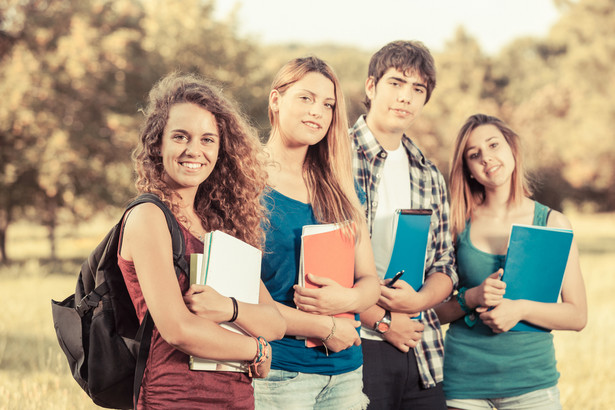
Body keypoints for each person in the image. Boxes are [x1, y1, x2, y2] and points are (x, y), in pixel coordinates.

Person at [118, 72, 286, 409]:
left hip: (237, 397)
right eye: (180, 136)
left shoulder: (217, 227)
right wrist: (257, 349)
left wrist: (229, 308)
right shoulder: (149, 217)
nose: (194, 150)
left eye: (208, 139)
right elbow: (178, 328)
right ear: (158, 143)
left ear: (221, 150)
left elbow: (275, 321)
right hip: (175, 397)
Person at [253, 56, 380, 410]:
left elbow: (370, 280)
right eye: (306, 98)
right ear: (276, 100)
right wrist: (323, 327)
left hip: (345, 374)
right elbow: (246, 293)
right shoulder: (246, 181)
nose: (318, 112)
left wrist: (347, 301)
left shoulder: (340, 185)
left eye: (328, 104)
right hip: (278, 374)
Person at [435, 113, 587, 410]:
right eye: (474, 154)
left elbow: (578, 316)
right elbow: (431, 314)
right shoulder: (455, 223)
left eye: (494, 145)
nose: (487, 158)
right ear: (467, 169)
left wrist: (520, 309)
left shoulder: (553, 224)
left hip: (531, 384)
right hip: (463, 384)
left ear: (512, 148)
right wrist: (470, 298)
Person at [349, 40, 458, 409]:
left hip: (421, 346)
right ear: (371, 86)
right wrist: (381, 321)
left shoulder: (429, 174)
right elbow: (320, 261)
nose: (406, 97)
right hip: (355, 343)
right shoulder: (334, 159)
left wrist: (419, 300)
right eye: (396, 83)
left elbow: (445, 262)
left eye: (418, 89)